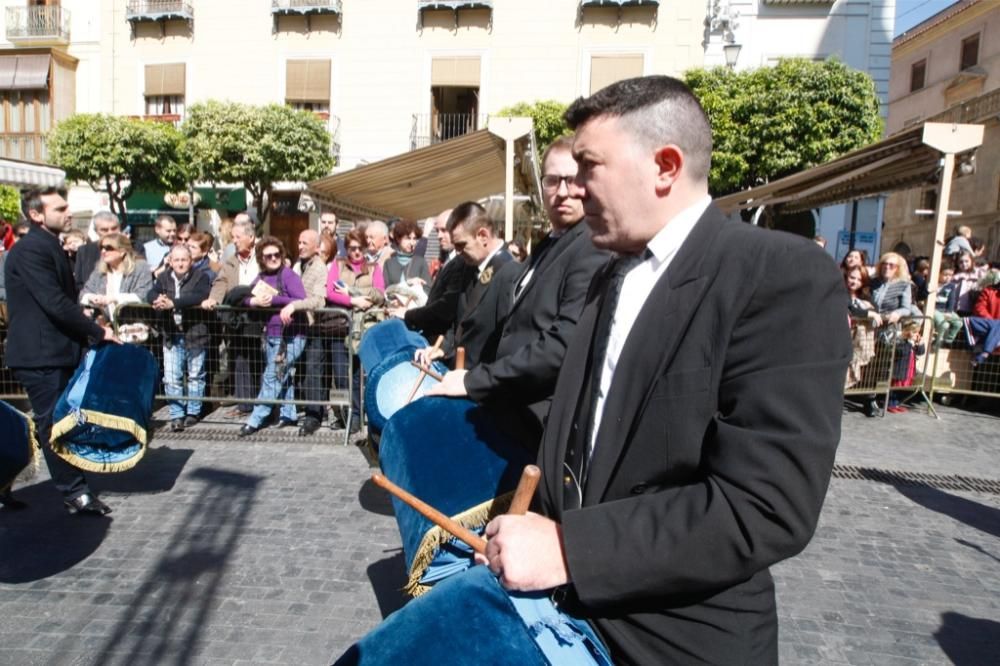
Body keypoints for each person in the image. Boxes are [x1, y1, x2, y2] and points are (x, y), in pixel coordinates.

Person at [478, 76, 850, 664]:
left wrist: (571, 551)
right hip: (568, 613)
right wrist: (522, 528)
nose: (573, 188)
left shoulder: (779, 276)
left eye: (589, 165)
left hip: (674, 642)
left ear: (665, 167)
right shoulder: (610, 274)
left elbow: (765, 506)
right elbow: (584, 445)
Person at [428, 135, 611, 450]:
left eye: (571, 179)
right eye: (553, 181)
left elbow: (560, 347)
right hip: (511, 404)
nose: (563, 192)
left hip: (541, 420)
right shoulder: (550, 244)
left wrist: (475, 381)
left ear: (586, 183)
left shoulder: (591, 246)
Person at [4, 187, 118, 515]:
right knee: (53, 424)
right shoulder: (30, 250)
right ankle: (74, 492)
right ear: (37, 214)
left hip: (57, 352)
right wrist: (98, 331)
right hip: (40, 355)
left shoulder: (50, 245)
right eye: (61, 208)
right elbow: (53, 303)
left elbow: (62, 301)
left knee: (51, 423)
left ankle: (10, 480)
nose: (68, 212)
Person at [414, 202, 521, 369]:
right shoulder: (469, 266)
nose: (458, 252)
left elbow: (505, 341)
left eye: (462, 245)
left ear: (483, 236)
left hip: (481, 380)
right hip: (460, 372)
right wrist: (442, 349)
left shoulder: (509, 272)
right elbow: (459, 323)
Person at [239, 237, 307, 437]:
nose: (273, 258)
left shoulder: (289, 275)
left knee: (272, 376)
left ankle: (255, 419)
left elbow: (301, 299)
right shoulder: (260, 278)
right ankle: (288, 414)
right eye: (268, 256)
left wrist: (274, 299)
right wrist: (254, 301)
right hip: (272, 334)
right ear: (261, 258)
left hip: (292, 336)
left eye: (277, 254)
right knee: (280, 376)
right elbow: (242, 297)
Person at [327, 228, 385, 433]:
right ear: (346, 249)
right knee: (343, 375)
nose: (357, 253)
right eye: (352, 249)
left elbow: (379, 294)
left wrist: (353, 292)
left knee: (364, 374)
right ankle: (348, 415)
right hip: (341, 327)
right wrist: (353, 301)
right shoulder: (338, 265)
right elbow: (330, 292)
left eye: (360, 248)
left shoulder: (374, 267)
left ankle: (365, 415)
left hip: (365, 328)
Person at [148, 245, 212, 431]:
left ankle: (193, 411)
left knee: (195, 375)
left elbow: (199, 296)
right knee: (171, 377)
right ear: (170, 261)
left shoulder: (201, 276)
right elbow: (152, 292)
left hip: (194, 333)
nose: (180, 263)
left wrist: (173, 303)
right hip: (171, 333)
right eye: (176, 260)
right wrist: (156, 300)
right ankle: (177, 414)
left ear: (190, 261)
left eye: (184, 260)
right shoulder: (163, 277)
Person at [202, 216, 260, 415]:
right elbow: (221, 282)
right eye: (233, 237)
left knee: (261, 361)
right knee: (241, 360)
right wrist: (214, 299)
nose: (233, 241)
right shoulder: (231, 260)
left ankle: (264, 404)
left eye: (237, 237)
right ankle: (245, 405)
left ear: (251, 237)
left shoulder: (264, 256)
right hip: (238, 318)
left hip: (262, 315)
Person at [393, 208, 473, 343]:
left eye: (444, 230)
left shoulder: (462, 263)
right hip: (433, 339)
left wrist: (409, 315)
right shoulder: (450, 259)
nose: (439, 236)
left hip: (444, 343)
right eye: (437, 231)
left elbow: (445, 308)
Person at [283, 229, 330, 436]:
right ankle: (297, 409)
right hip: (297, 327)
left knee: (313, 371)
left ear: (316, 246)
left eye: (305, 243)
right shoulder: (299, 265)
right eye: (299, 242)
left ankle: (314, 415)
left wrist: (295, 306)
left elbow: (319, 299)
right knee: (300, 371)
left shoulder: (319, 268)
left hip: (313, 327)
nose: (300, 246)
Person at [79, 233, 153, 324]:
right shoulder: (99, 270)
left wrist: (113, 298)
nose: (103, 251)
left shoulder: (140, 267)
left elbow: (143, 295)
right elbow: (83, 294)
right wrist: (93, 298)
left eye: (109, 248)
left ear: (122, 251)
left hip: (133, 325)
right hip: (105, 325)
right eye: (101, 247)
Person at [845, 265, 879, 393]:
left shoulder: (865, 295)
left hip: (860, 340)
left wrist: (871, 310)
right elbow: (849, 309)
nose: (855, 282)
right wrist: (867, 313)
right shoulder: (841, 291)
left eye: (859, 279)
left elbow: (876, 309)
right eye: (852, 277)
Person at [382, 218, 432, 303]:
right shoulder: (389, 263)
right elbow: (386, 290)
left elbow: (428, 289)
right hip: (394, 308)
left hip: (414, 310)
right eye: (408, 238)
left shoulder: (420, 262)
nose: (412, 243)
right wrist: (407, 283)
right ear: (398, 239)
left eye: (415, 239)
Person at [74, 210, 120, 292]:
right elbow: (79, 282)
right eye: (104, 230)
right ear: (96, 231)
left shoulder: (134, 247)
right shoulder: (84, 251)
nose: (110, 233)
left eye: (114, 228)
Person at [932, 260, 962, 347]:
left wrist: (949, 311)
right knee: (944, 325)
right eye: (945, 275)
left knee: (958, 322)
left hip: (945, 310)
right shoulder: (934, 284)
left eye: (950, 275)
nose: (948, 278)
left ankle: (948, 340)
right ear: (939, 273)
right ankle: (937, 343)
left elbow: (952, 300)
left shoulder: (951, 286)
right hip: (935, 310)